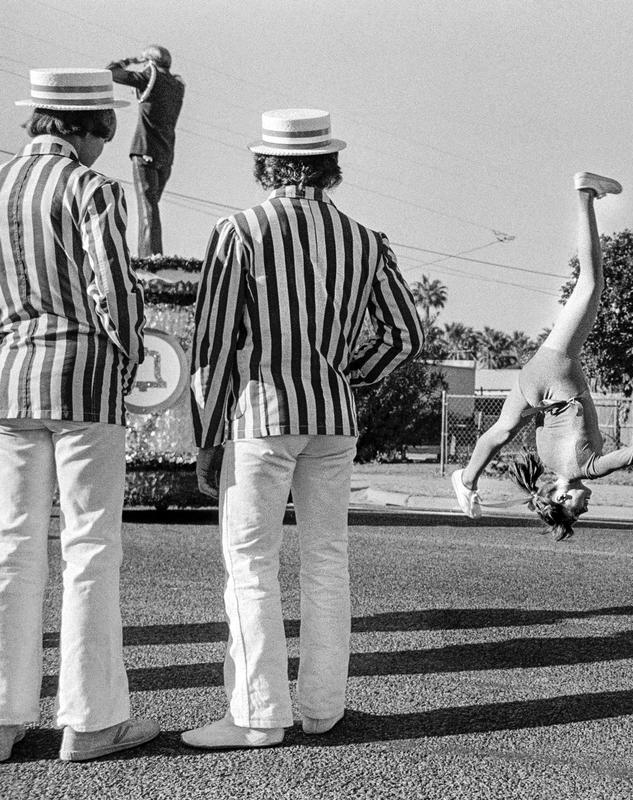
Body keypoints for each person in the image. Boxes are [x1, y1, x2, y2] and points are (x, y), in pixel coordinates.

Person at [185, 109, 424, 749]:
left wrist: (207, 437)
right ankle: (324, 708)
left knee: (251, 566)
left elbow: (211, 345)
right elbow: (406, 334)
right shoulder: (367, 240)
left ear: (267, 165)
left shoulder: (238, 230)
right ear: (331, 167)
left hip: (261, 415)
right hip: (334, 418)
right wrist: (349, 375)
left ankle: (258, 716)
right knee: (327, 561)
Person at [0, 68, 157, 762]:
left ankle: (4, 719)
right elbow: (114, 289)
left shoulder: (0, 185)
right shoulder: (90, 189)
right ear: (87, 126)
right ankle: (91, 721)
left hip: (9, 378)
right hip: (84, 378)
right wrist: (126, 361)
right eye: (105, 130)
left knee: (12, 548)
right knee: (90, 547)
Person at [450, 173, 633, 540]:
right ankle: (467, 479)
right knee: (502, 430)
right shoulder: (545, 460)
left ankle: (585, 194)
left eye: (575, 510)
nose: (584, 509)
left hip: (555, 368)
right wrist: (541, 406)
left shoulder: (588, 469)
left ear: (560, 495)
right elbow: (534, 424)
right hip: (534, 383)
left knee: (591, 283)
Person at [107, 45, 185, 257]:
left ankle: (150, 257)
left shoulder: (151, 78)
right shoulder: (177, 86)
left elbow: (112, 72)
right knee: (151, 209)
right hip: (166, 155)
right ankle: (149, 253)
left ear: (150, 62)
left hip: (145, 150)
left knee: (148, 210)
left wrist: (131, 59)